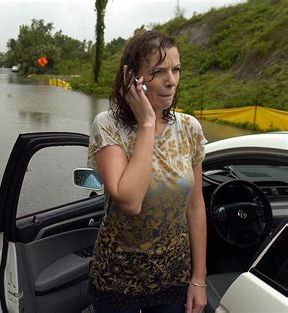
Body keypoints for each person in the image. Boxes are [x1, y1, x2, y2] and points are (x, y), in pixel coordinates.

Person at [87, 30, 207, 313]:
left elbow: (196, 205)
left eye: (176, 69)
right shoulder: (108, 125)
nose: (171, 81)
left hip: (173, 273)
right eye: (158, 71)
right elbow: (129, 202)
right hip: (117, 275)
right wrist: (147, 125)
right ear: (133, 79)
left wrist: (199, 279)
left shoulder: (190, 128)